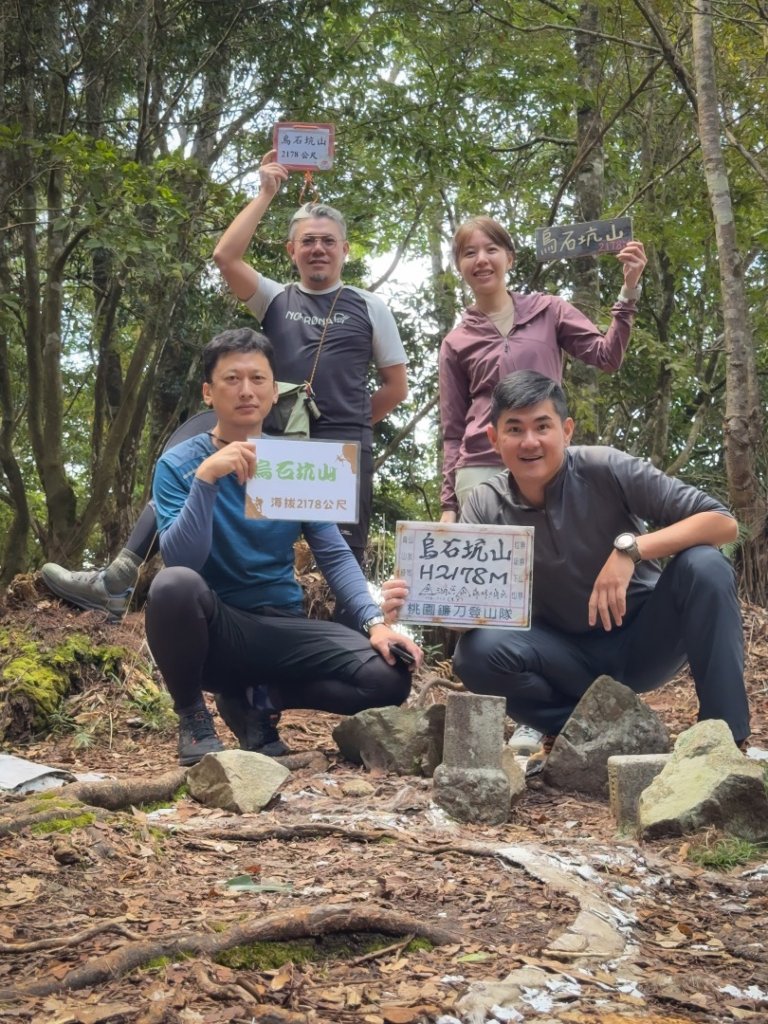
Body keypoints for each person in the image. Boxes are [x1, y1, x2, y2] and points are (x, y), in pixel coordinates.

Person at [41, 150, 408, 612]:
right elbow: (225, 255)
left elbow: (396, 387)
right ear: (291, 250)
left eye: (330, 241)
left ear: (345, 250)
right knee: (190, 457)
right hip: (269, 432)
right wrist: (265, 193)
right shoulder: (276, 297)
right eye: (308, 240)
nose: (319, 248)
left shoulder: (369, 306)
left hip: (340, 444)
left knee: (342, 551)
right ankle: (119, 576)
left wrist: (348, 424)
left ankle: (349, 645)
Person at [384, 370, 750, 765]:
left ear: (567, 430)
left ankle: (725, 738)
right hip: (560, 657)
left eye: (543, 426)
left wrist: (630, 550)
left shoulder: (606, 468)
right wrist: (418, 599)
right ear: (494, 439)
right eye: (514, 429)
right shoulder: (483, 505)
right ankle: (586, 732)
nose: (530, 442)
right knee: (475, 654)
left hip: (644, 641)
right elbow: (471, 617)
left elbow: (722, 523)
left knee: (706, 563)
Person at [145, 327, 422, 766]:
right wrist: (207, 480)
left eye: (258, 379)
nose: (246, 391)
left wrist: (374, 622)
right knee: (172, 585)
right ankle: (193, 719)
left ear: (275, 392)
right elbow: (182, 559)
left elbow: (332, 551)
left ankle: (258, 701)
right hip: (216, 631)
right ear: (207, 392)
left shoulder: (294, 463)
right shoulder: (180, 465)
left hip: (281, 629)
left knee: (389, 676)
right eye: (231, 379)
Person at [439, 216, 647, 753]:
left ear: (509, 256)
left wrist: (628, 289)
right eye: (468, 253)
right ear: (459, 267)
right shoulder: (457, 338)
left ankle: (577, 703)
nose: (481, 260)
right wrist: (447, 504)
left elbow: (607, 355)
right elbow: (450, 427)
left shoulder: (548, 310)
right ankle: (531, 714)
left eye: (491, 249)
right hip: (480, 471)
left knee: (550, 584)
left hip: (540, 460)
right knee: (498, 604)